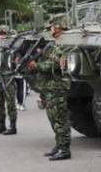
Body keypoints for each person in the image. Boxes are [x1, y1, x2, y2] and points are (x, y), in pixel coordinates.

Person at [27, 20, 70, 160]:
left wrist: (36, 66)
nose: (52, 31)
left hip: (57, 87)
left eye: (53, 28)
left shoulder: (64, 45)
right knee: (53, 118)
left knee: (60, 119)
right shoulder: (54, 45)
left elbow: (53, 65)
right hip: (50, 87)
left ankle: (65, 149)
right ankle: (59, 145)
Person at [0, 25, 18, 135]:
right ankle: (1, 124)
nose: (1, 36)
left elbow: (16, 60)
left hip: (8, 77)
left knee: (10, 102)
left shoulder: (12, 47)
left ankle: (13, 126)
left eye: (3, 34)